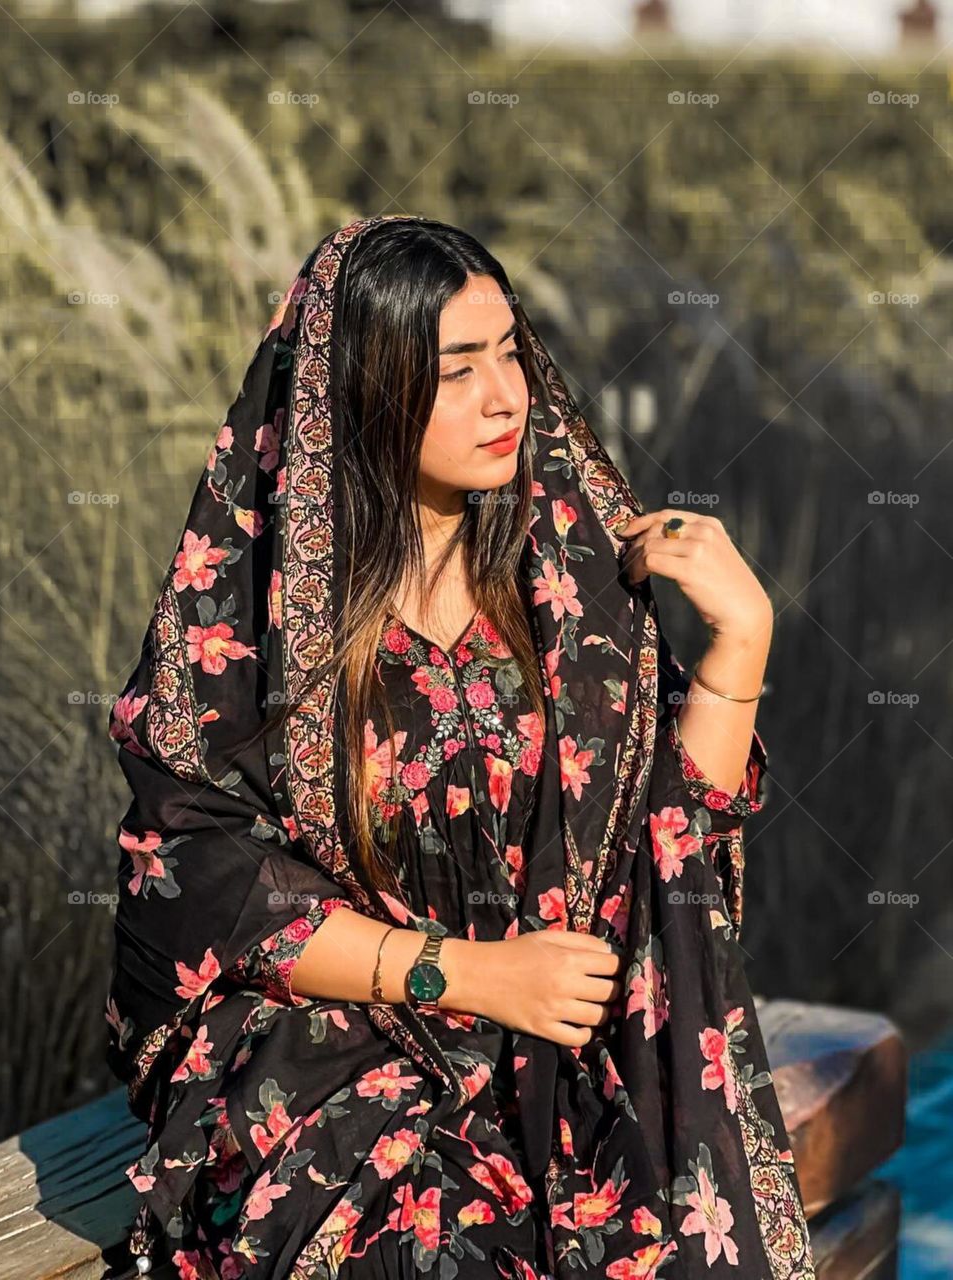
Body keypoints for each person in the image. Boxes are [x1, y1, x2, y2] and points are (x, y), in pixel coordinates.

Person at [104, 214, 816, 1280]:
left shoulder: (561, 581)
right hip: (338, 1049)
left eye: (509, 353)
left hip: (557, 1031)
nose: (504, 398)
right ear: (362, 390)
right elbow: (199, 885)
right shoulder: (258, 617)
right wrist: (473, 975)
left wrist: (737, 647)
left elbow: (669, 844)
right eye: (455, 369)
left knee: (678, 1226)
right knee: (433, 1243)